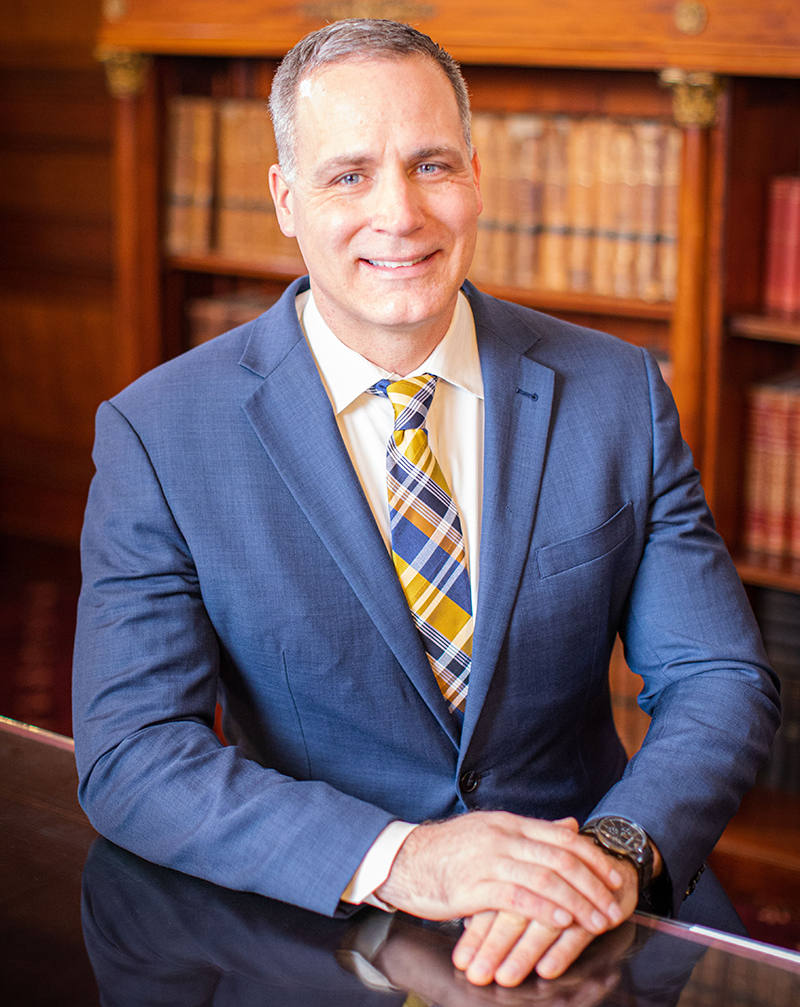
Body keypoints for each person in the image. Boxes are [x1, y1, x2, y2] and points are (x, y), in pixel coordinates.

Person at [72, 18, 779, 989]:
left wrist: (616, 849)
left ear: (475, 178)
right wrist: (406, 855)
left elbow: (717, 676)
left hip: (593, 911)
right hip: (322, 923)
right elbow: (134, 753)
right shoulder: (160, 433)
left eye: (430, 165)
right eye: (348, 174)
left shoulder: (616, 392)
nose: (399, 213)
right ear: (285, 198)